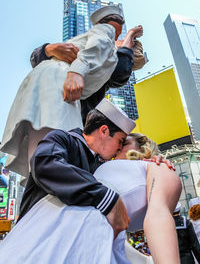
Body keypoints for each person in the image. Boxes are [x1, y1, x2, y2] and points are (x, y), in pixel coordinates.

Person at [0, 99, 181, 264]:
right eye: (120, 141)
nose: (119, 148)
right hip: (38, 235)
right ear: (104, 131)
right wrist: (107, 198)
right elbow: (45, 164)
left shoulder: (100, 163)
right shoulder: (64, 139)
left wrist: (151, 162)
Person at [0, 5, 144, 179]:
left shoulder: (102, 63)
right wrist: (73, 71)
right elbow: (104, 54)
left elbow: (120, 71)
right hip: (58, 86)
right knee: (51, 158)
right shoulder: (104, 35)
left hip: (52, 87)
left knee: (44, 160)